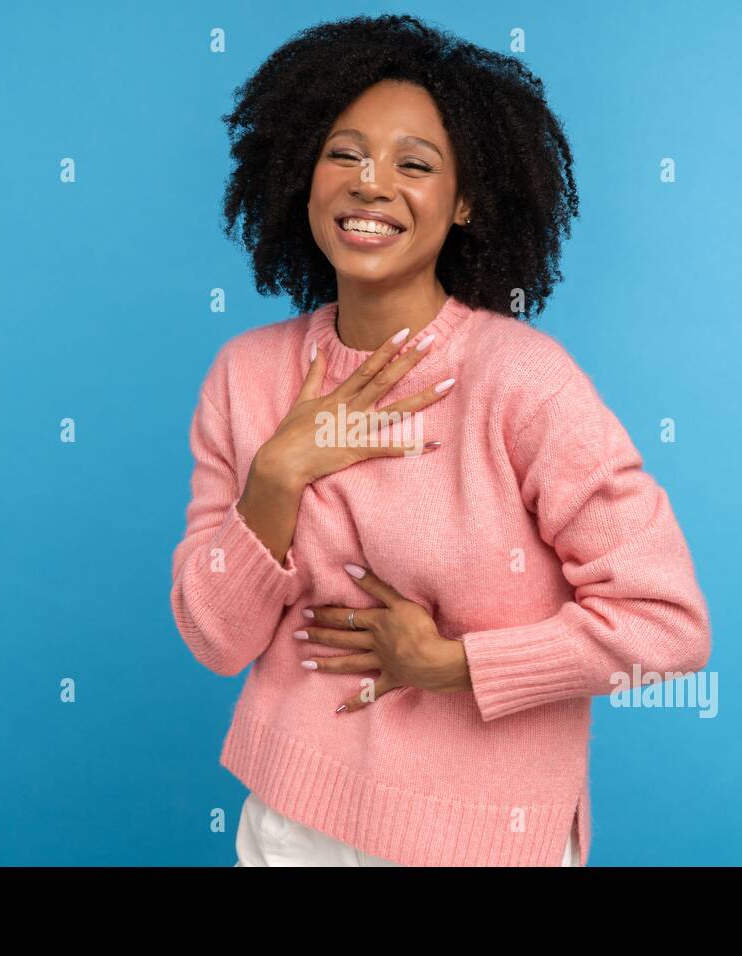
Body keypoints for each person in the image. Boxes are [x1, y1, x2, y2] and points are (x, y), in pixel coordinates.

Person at [171, 13, 712, 867]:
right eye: (344, 154)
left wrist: (454, 664)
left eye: (413, 165)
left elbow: (667, 625)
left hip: (482, 839)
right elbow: (215, 641)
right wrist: (277, 473)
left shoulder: (521, 381)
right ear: (302, 176)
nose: (371, 183)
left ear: (464, 203)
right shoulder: (247, 376)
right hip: (291, 823)